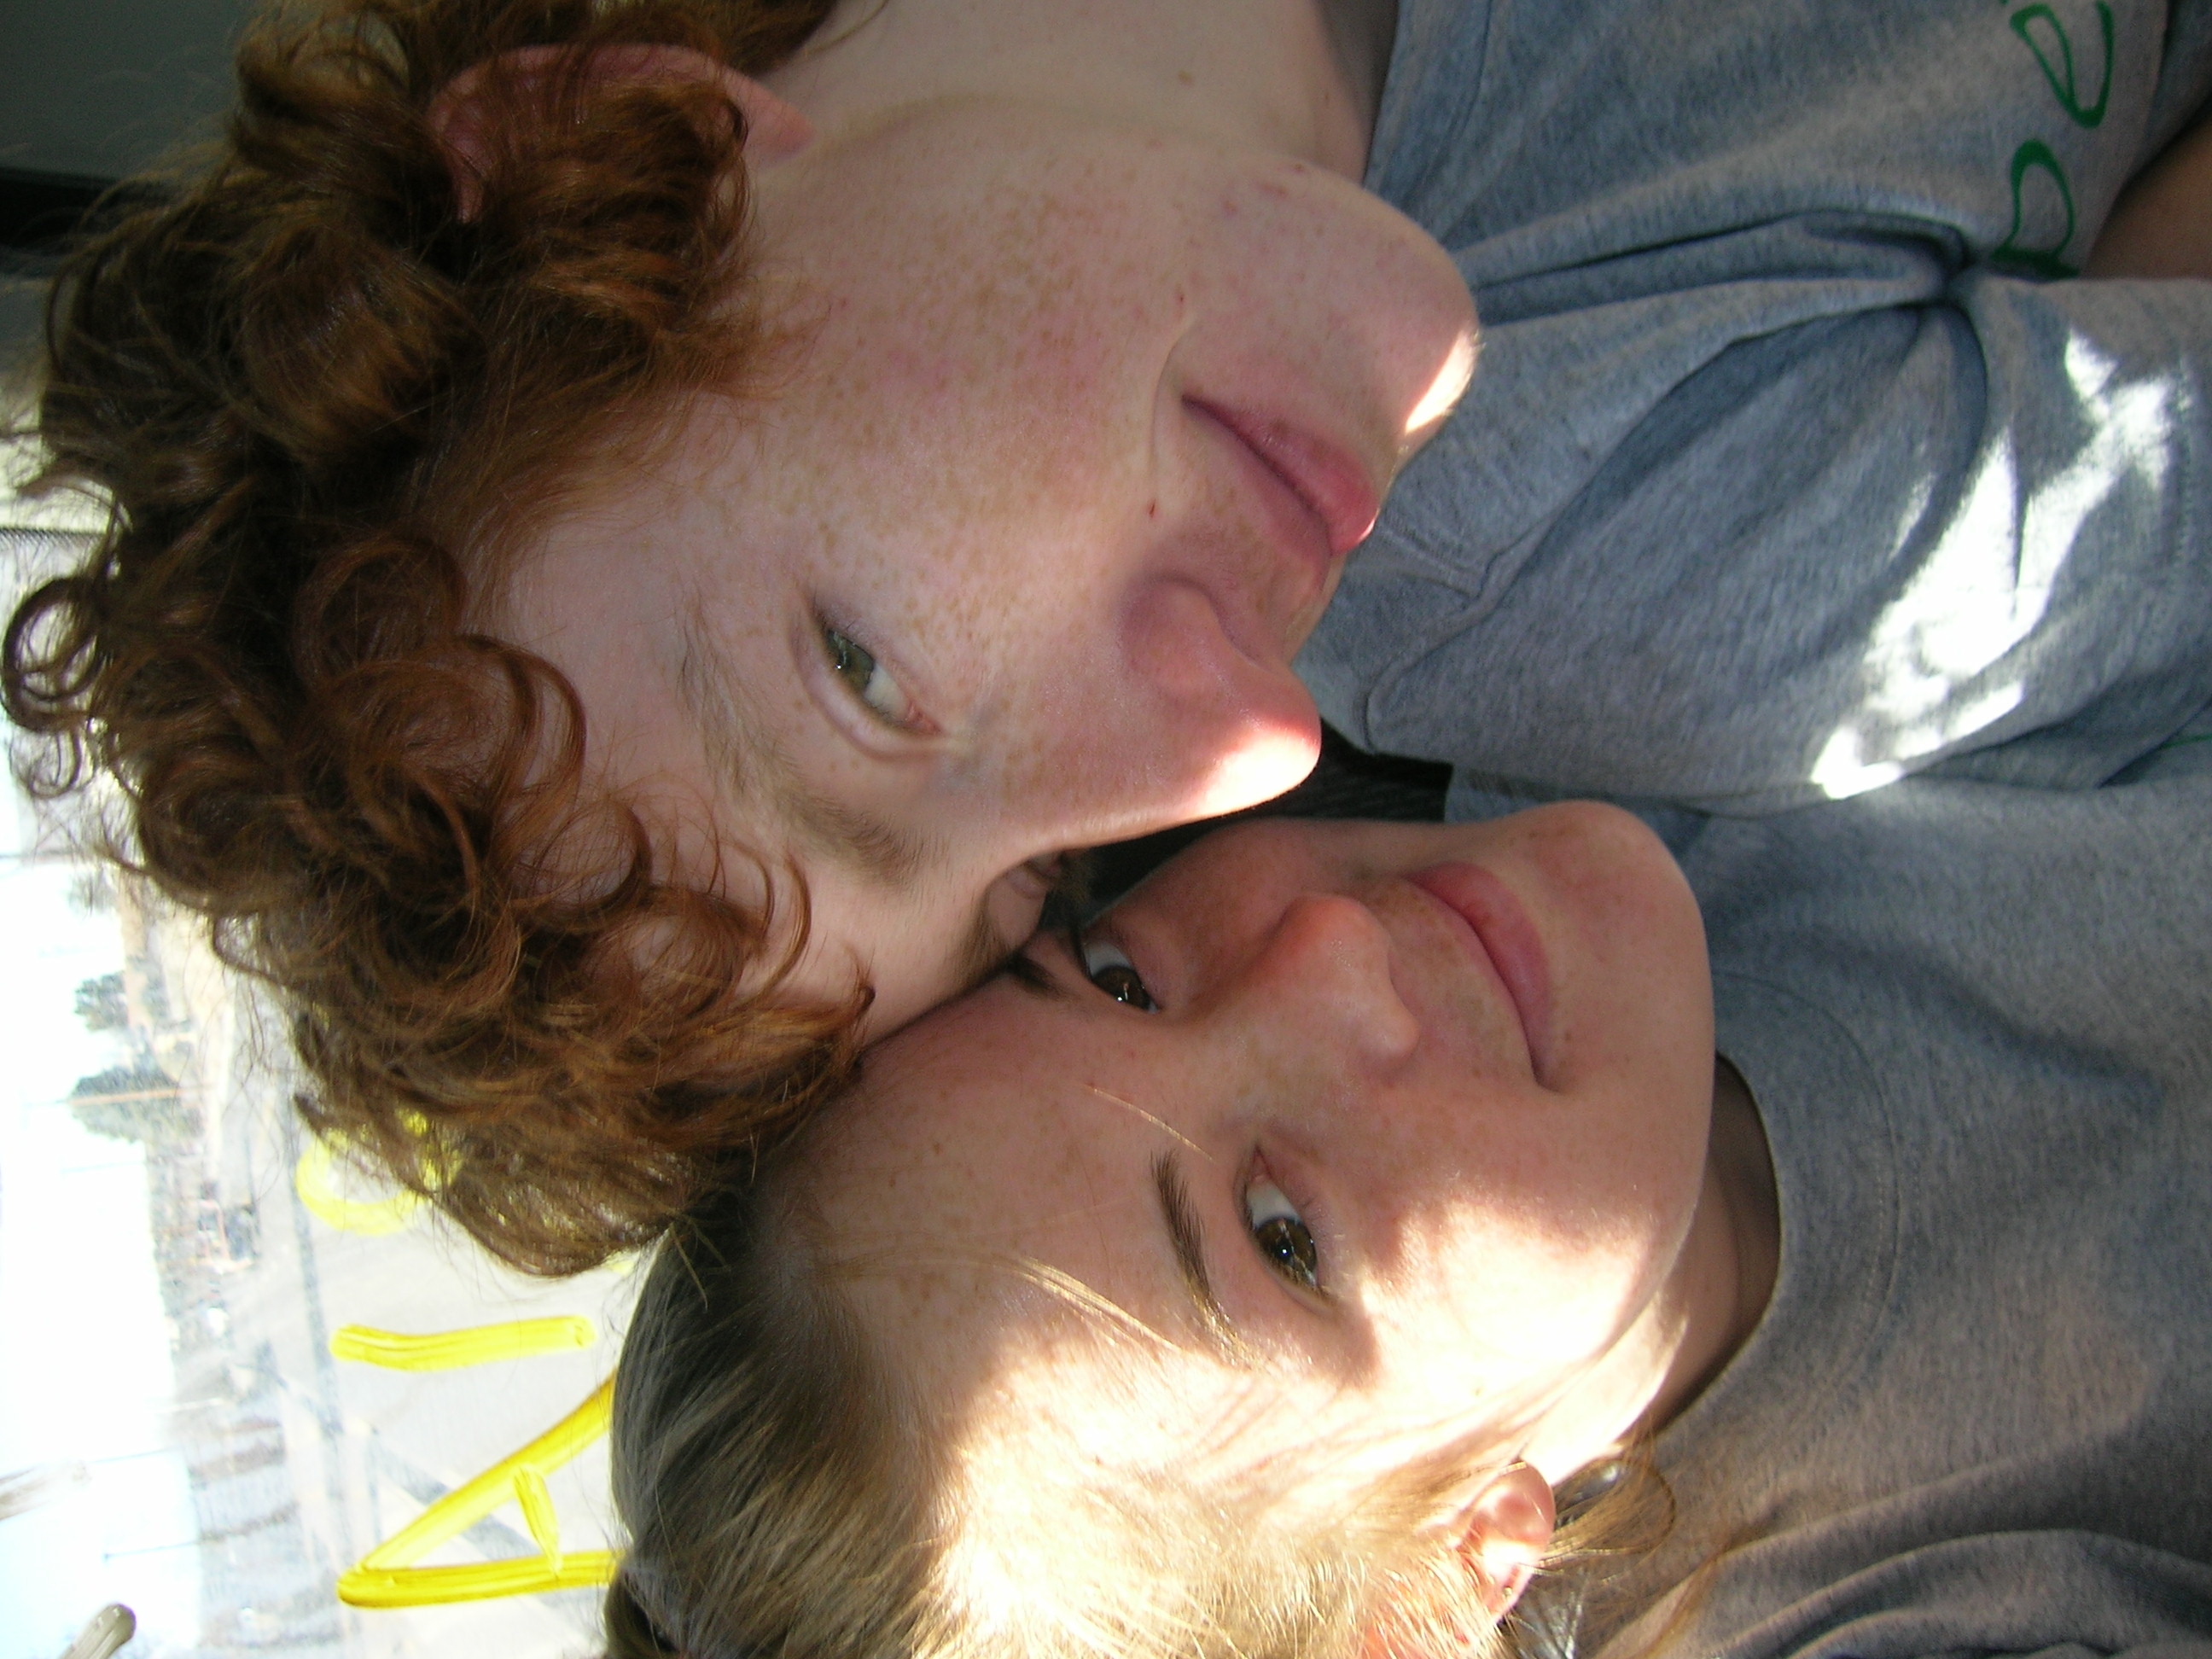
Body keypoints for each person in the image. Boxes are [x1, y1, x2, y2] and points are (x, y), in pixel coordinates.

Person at [10, 0, 2212, 1276]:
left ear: (638, 143)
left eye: (868, 676)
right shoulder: (1653, 570)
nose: (1240, 749)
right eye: (1041, 887)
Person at [602, 729, 2212, 1659]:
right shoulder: (1893, 1607)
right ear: (1429, 1594)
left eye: (1117, 978)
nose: (1326, 951)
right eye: (1281, 1238)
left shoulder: (1604, 671)